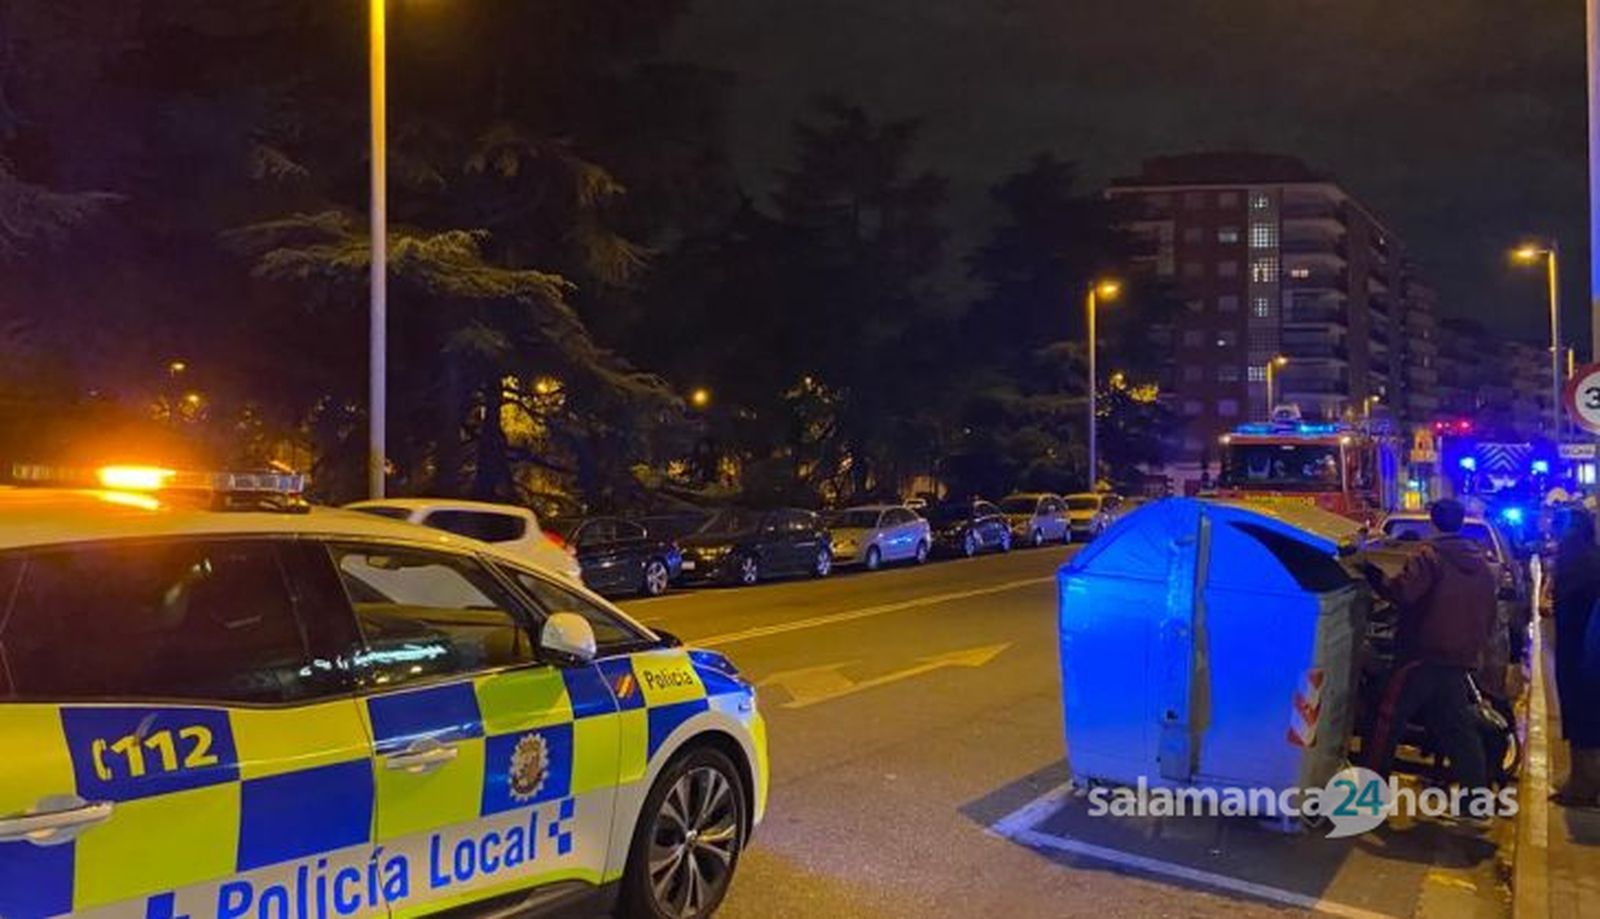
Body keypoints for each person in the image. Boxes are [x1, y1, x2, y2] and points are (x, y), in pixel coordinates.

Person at [1364, 498, 1498, 799]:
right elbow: (1490, 614)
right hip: (1459, 657)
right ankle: (1476, 799)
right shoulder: (1480, 564)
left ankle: (1370, 794)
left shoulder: (1429, 556)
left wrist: (1374, 577)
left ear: (1433, 522)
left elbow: (1404, 592)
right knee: (1457, 727)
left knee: (1386, 721)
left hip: (1421, 656)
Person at [1551, 507, 1600, 808]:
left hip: (1583, 652)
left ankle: (1584, 784)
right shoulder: (1588, 558)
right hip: (1581, 650)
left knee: (1583, 715)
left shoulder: (1577, 564)